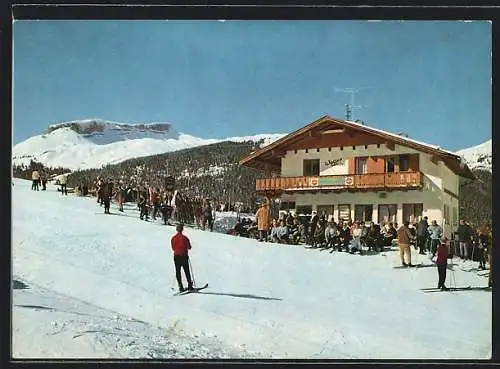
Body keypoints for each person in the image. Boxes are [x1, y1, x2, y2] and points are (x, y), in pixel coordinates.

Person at [171, 223, 194, 292]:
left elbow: (173, 248)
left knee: (178, 271)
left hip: (176, 256)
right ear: (182, 229)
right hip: (184, 256)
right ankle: (190, 285)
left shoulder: (173, 238)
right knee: (187, 271)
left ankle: (180, 286)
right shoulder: (185, 238)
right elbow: (189, 247)